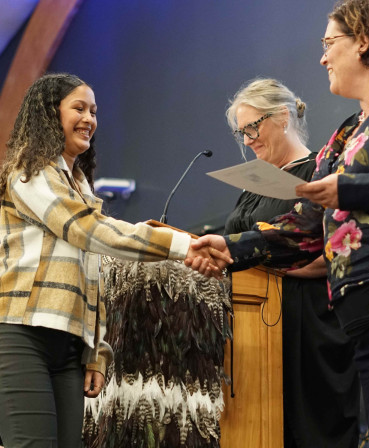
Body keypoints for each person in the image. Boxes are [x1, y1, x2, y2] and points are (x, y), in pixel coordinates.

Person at [187, 0, 369, 448]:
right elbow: (307, 224)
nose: (322, 56)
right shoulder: (346, 134)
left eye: (329, 43)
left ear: (363, 40)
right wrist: (233, 249)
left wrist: (350, 189)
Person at [0, 73, 229, 448]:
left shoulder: (78, 184)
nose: (90, 118)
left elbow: (94, 273)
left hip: (68, 345)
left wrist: (97, 352)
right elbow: (90, 231)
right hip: (19, 334)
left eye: (94, 110)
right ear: (48, 113)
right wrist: (180, 245)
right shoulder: (31, 175)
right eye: (79, 108)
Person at [224, 77, 360, 447]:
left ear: (282, 117)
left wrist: (278, 267)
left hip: (307, 317)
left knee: (308, 426)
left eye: (253, 126)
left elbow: (334, 246)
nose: (248, 139)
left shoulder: (320, 171)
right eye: (241, 132)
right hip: (254, 320)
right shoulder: (255, 182)